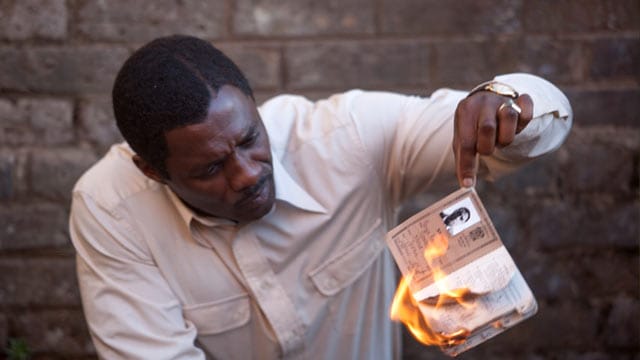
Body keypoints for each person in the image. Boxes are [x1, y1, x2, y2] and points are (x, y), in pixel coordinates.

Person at [69, 34, 572, 359]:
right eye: (210, 168)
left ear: (253, 105)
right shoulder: (111, 207)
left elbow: (534, 125)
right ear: (152, 171)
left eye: (249, 140)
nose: (246, 174)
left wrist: (508, 110)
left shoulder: (347, 137)